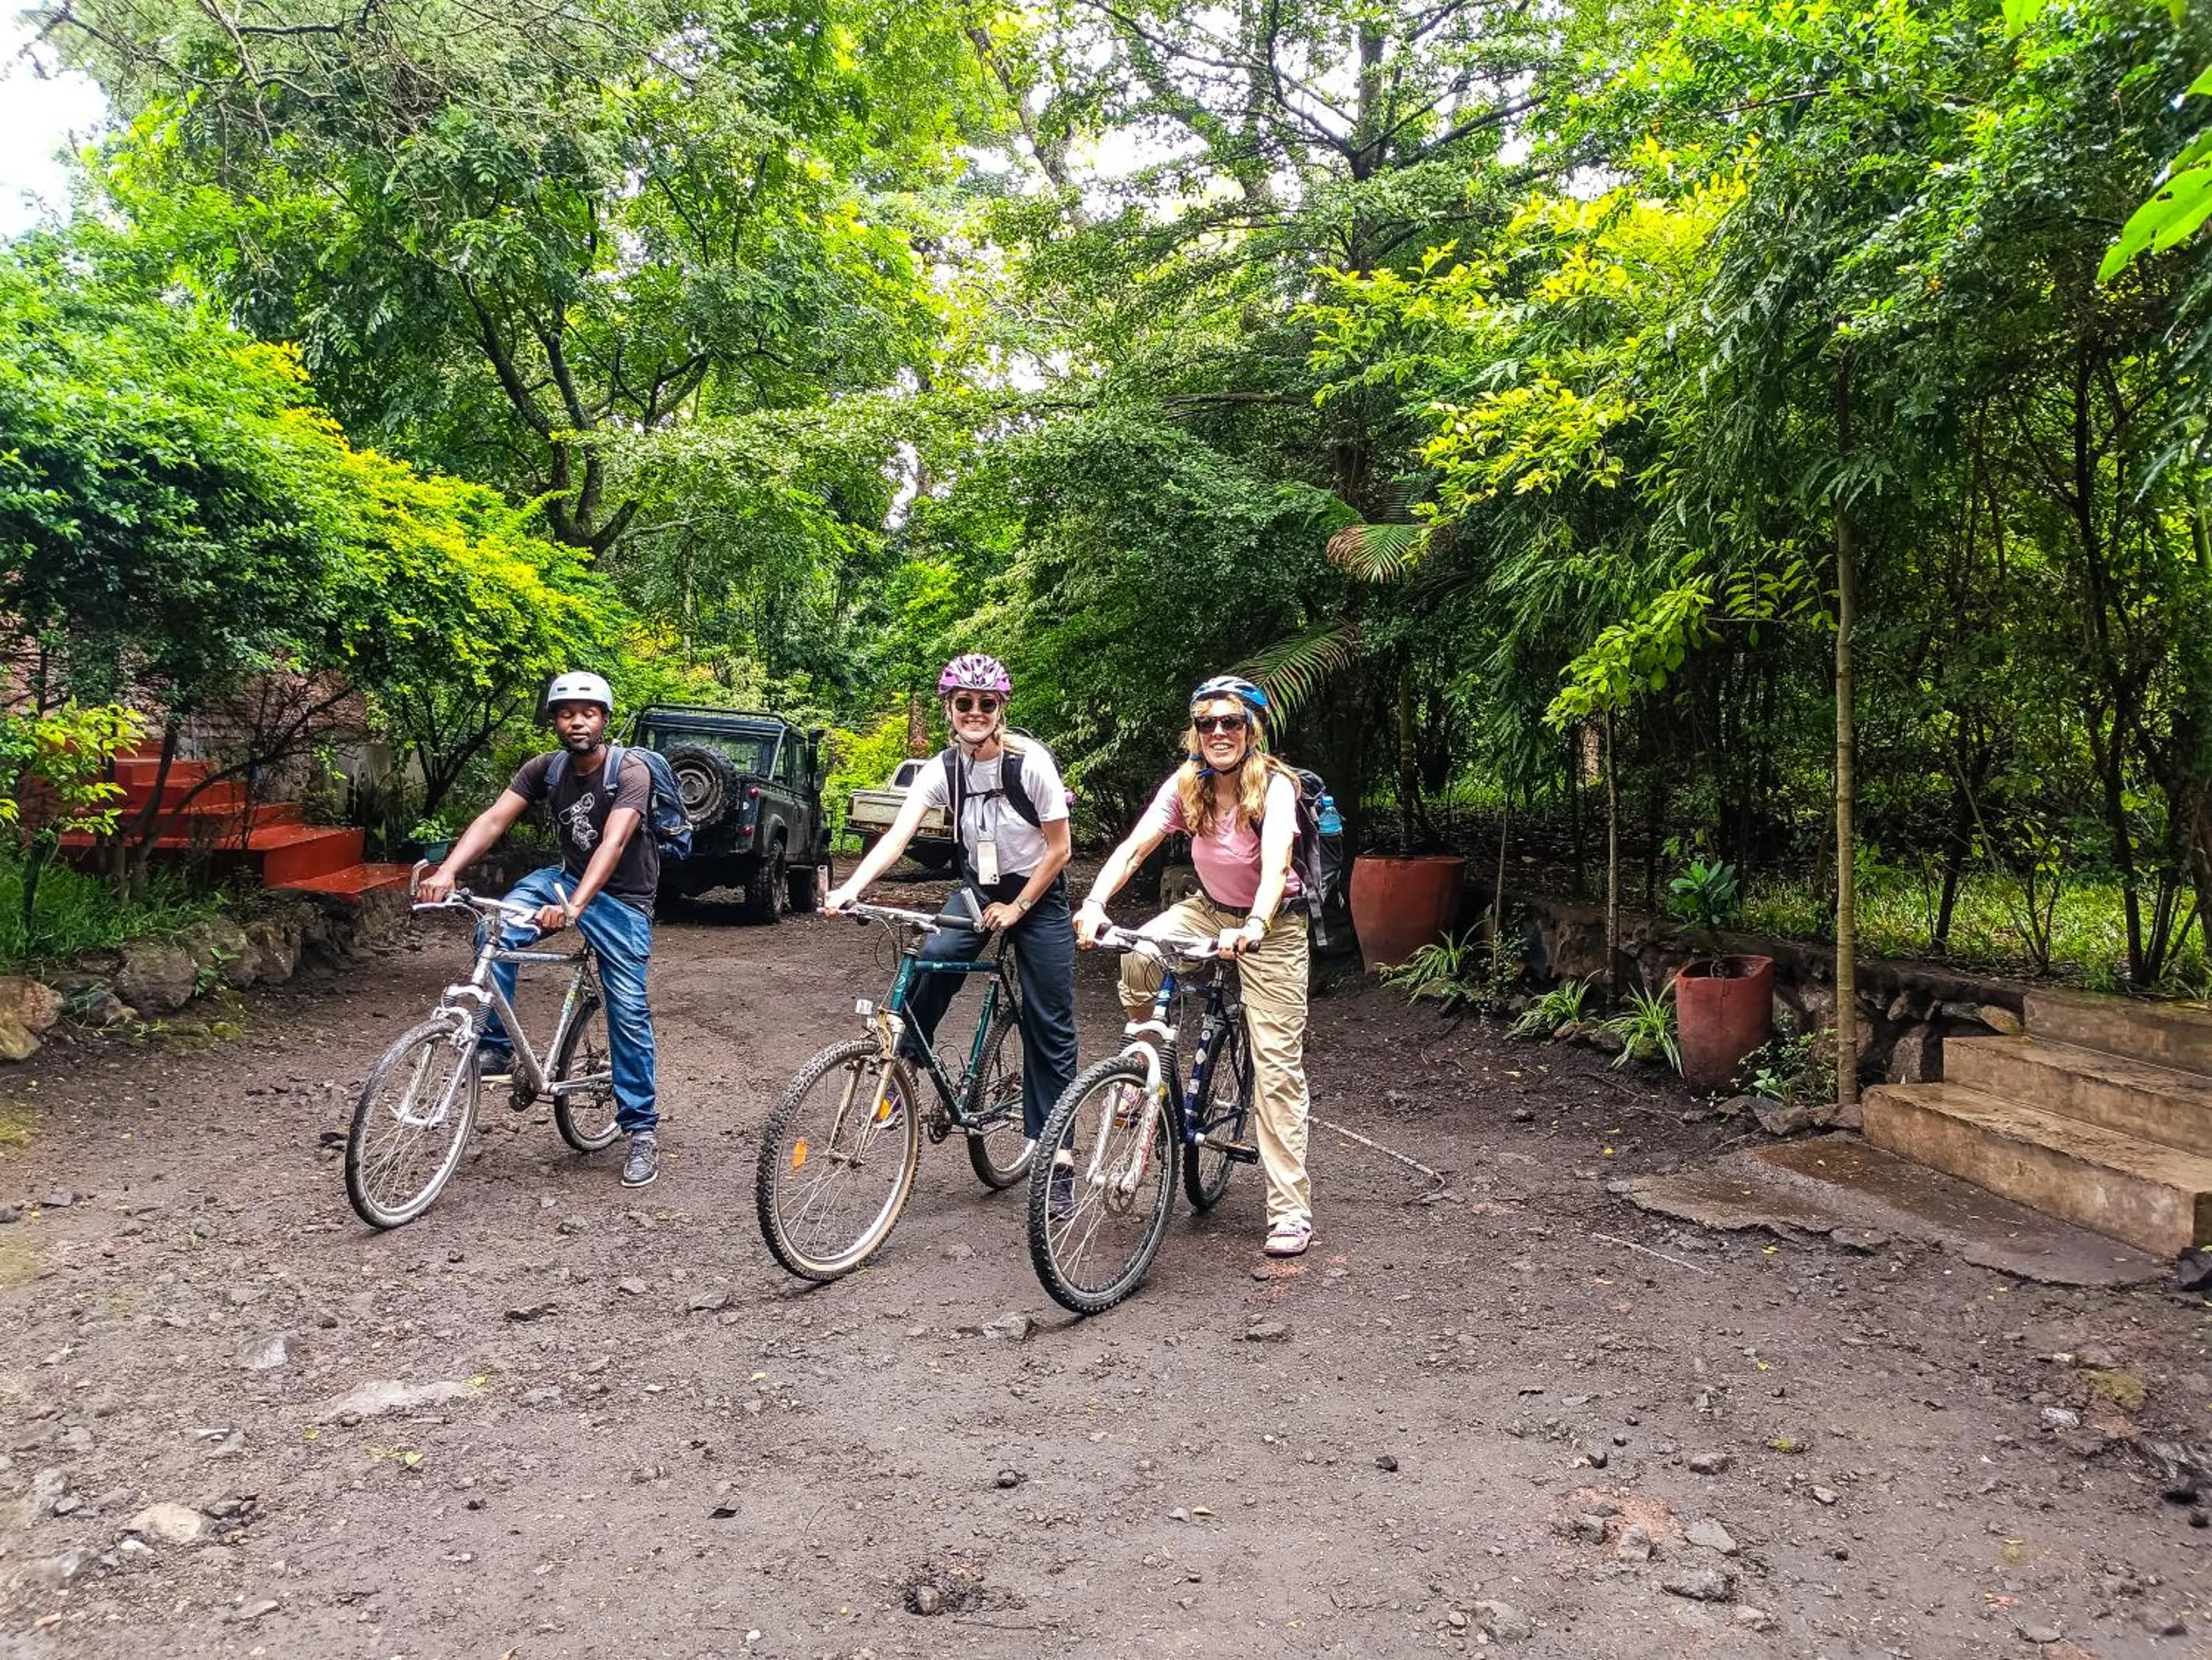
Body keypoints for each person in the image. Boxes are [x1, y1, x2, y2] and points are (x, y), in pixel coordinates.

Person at [1075, 674, 1315, 1258]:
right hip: (1208, 909)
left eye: (1230, 721)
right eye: (1206, 723)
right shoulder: (1188, 784)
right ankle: (1144, 1064)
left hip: (1272, 925)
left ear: (1251, 729)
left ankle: (1290, 1210)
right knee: (1139, 952)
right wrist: (1094, 903)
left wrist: (1253, 926)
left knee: (1277, 1069)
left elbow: (1276, 863)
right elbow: (1135, 849)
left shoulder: (1276, 787)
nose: (1217, 732)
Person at [824, 654, 1078, 1171]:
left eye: (987, 703)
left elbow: (1060, 849)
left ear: (1001, 708)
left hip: (1038, 893)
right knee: (931, 961)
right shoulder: (944, 768)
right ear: (949, 708)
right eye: (965, 703)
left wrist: (1019, 906)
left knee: (1049, 1020)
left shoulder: (1029, 763)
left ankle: (1058, 1153)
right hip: (980, 889)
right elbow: (898, 836)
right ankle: (906, 1065)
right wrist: (850, 887)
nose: (975, 712)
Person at [416, 671, 664, 1189]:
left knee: (628, 1010)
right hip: (566, 879)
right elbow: (494, 820)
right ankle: (498, 1045)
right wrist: (448, 870)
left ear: (604, 720)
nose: (578, 722)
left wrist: (574, 907)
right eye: (567, 713)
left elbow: (614, 843)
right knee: (495, 928)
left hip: (623, 901)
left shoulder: (630, 771)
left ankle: (641, 1128)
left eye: (588, 713)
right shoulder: (545, 769)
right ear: (554, 721)